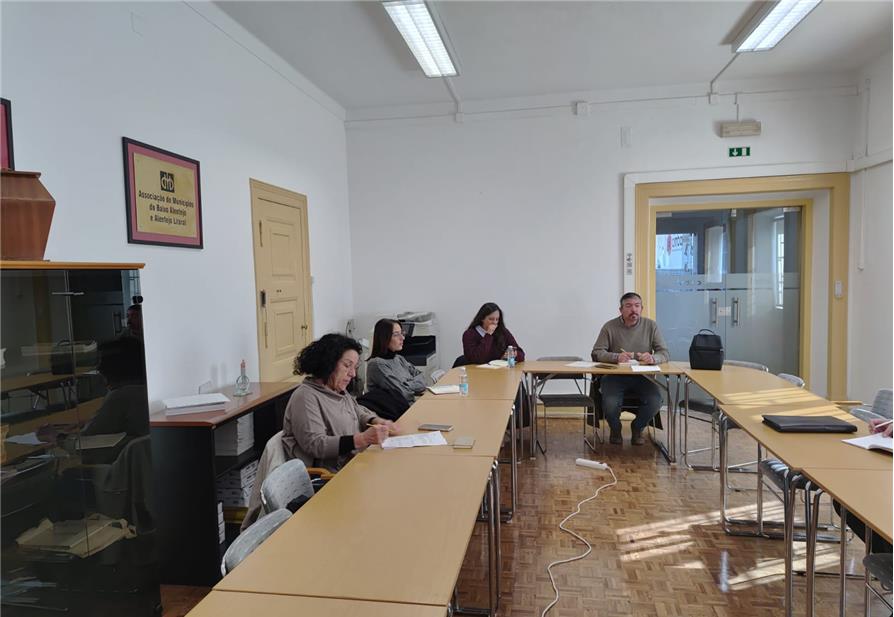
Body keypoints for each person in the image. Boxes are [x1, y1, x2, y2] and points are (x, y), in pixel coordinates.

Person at [283, 333, 397, 471]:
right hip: (331, 476)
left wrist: (376, 421)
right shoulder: (305, 397)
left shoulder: (337, 390)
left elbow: (357, 412)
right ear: (328, 363)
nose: (353, 374)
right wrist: (362, 439)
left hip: (356, 464)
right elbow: (315, 444)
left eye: (354, 367)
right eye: (347, 365)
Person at [591, 292, 669, 446]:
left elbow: (664, 352)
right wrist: (615, 357)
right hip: (615, 376)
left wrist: (653, 358)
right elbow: (597, 352)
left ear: (642, 308)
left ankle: (637, 427)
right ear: (621, 310)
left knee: (656, 401)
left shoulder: (650, 326)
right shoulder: (609, 327)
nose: (633, 310)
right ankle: (615, 428)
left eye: (637, 306)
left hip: (643, 377)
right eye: (628, 306)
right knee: (610, 403)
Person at [367, 319, 426, 404]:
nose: (402, 338)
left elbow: (422, 379)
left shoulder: (398, 358)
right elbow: (402, 394)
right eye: (396, 335)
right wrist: (412, 384)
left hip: (411, 405)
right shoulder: (377, 364)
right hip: (396, 413)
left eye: (402, 333)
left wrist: (405, 385)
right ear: (384, 338)